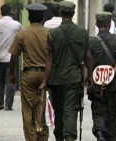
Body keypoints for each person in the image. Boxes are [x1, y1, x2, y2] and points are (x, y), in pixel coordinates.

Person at [38, 1, 93, 141]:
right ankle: (69, 138)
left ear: (61, 13)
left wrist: (45, 81)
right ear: (73, 14)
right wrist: (89, 75)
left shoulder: (53, 33)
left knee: (59, 109)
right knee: (70, 110)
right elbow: (87, 56)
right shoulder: (82, 32)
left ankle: (60, 136)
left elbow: (49, 59)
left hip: (56, 79)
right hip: (73, 78)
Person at [8, 3, 49, 141]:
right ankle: (42, 138)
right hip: (45, 75)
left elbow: (14, 56)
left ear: (29, 17)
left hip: (29, 74)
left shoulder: (22, 34)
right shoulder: (49, 33)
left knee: (28, 110)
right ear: (43, 17)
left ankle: (31, 139)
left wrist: (12, 73)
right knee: (42, 109)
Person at [88, 11, 116, 141]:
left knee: (98, 110)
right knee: (111, 112)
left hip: (95, 83)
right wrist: (112, 71)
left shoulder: (90, 42)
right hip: (113, 84)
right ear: (110, 25)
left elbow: (85, 60)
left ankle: (99, 133)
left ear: (96, 24)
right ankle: (109, 137)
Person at [0, 4, 22, 110]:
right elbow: (21, 37)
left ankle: (0, 103)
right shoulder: (17, 25)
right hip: (11, 56)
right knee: (11, 79)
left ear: (1, 12)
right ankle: (8, 104)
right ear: (11, 12)